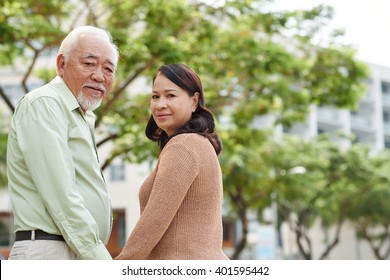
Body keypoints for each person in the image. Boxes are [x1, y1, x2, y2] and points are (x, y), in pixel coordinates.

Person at [6, 25, 119, 260]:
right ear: (61, 64)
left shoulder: (80, 115)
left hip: (74, 250)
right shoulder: (45, 103)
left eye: (108, 69)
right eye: (89, 63)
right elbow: (61, 195)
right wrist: (100, 259)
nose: (99, 76)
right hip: (50, 251)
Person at [115, 64, 229, 260]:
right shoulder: (198, 143)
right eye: (155, 96)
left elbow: (154, 221)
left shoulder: (183, 145)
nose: (160, 104)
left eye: (170, 95)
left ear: (194, 101)